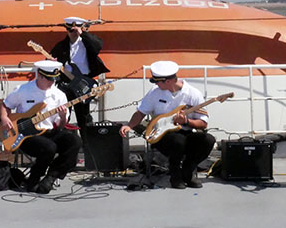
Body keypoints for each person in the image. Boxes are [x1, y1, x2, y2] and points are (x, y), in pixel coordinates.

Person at [119, 60, 216, 189]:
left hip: (185, 130)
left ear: (168, 81)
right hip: (161, 134)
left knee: (208, 140)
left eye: (158, 81)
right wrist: (130, 125)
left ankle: (188, 170)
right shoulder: (155, 92)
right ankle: (175, 176)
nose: (156, 84)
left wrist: (187, 121)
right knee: (178, 141)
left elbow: (203, 123)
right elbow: (141, 112)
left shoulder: (193, 94)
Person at [0, 60, 82, 194]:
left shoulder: (59, 95)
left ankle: (52, 176)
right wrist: (4, 118)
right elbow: (6, 105)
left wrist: (62, 116)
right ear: (40, 75)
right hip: (25, 135)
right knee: (49, 147)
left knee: (74, 141)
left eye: (54, 79)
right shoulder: (23, 90)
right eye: (49, 79)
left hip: (48, 131)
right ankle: (33, 180)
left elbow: (60, 126)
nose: (52, 82)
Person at [50, 16, 110, 131]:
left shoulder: (87, 43)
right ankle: (66, 140)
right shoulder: (61, 46)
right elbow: (51, 59)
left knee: (83, 116)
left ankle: (87, 144)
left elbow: (98, 46)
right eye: (70, 30)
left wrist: (82, 33)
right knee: (64, 113)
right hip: (66, 83)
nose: (72, 33)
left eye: (74, 30)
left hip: (83, 81)